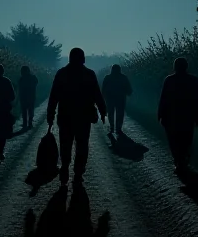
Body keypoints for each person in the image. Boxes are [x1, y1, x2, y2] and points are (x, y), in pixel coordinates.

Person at [47, 47, 107, 185]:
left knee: (65, 143)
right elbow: (97, 94)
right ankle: (78, 172)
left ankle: (65, 167)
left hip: (65, 116)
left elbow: (53, 96)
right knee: (82, 145)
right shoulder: (89, 74)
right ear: (83, 59)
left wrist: (50, 114)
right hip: (83, 117)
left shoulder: (61, 73)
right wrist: (102, 111)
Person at [157, 57, 198, 172]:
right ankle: (183, 160)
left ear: (175, 67)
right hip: (188, 116)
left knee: (174, 140)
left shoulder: (169, 80)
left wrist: (160, 114)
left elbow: (163, 98)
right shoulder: (194, 80)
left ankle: (178, 160)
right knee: (186, 139)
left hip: (172, 116)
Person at [101, 64, 133, 135]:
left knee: (111, 113)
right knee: (120, 114)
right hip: (120, 99)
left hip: (110, 99)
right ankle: (118, 128)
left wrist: (103, 97)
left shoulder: (107, 78)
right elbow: (129, 89)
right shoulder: (123, 78)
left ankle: (112, 127)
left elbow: (103, 89)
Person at [18, 65, 38, 130]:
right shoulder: (33, 77)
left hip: (23, 97)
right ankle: (30, 123)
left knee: (24, 111)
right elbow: (36, 83)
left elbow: (20, 88)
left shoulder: (21, 79)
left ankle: (25, 124)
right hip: (31, 97)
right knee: (30, 110)